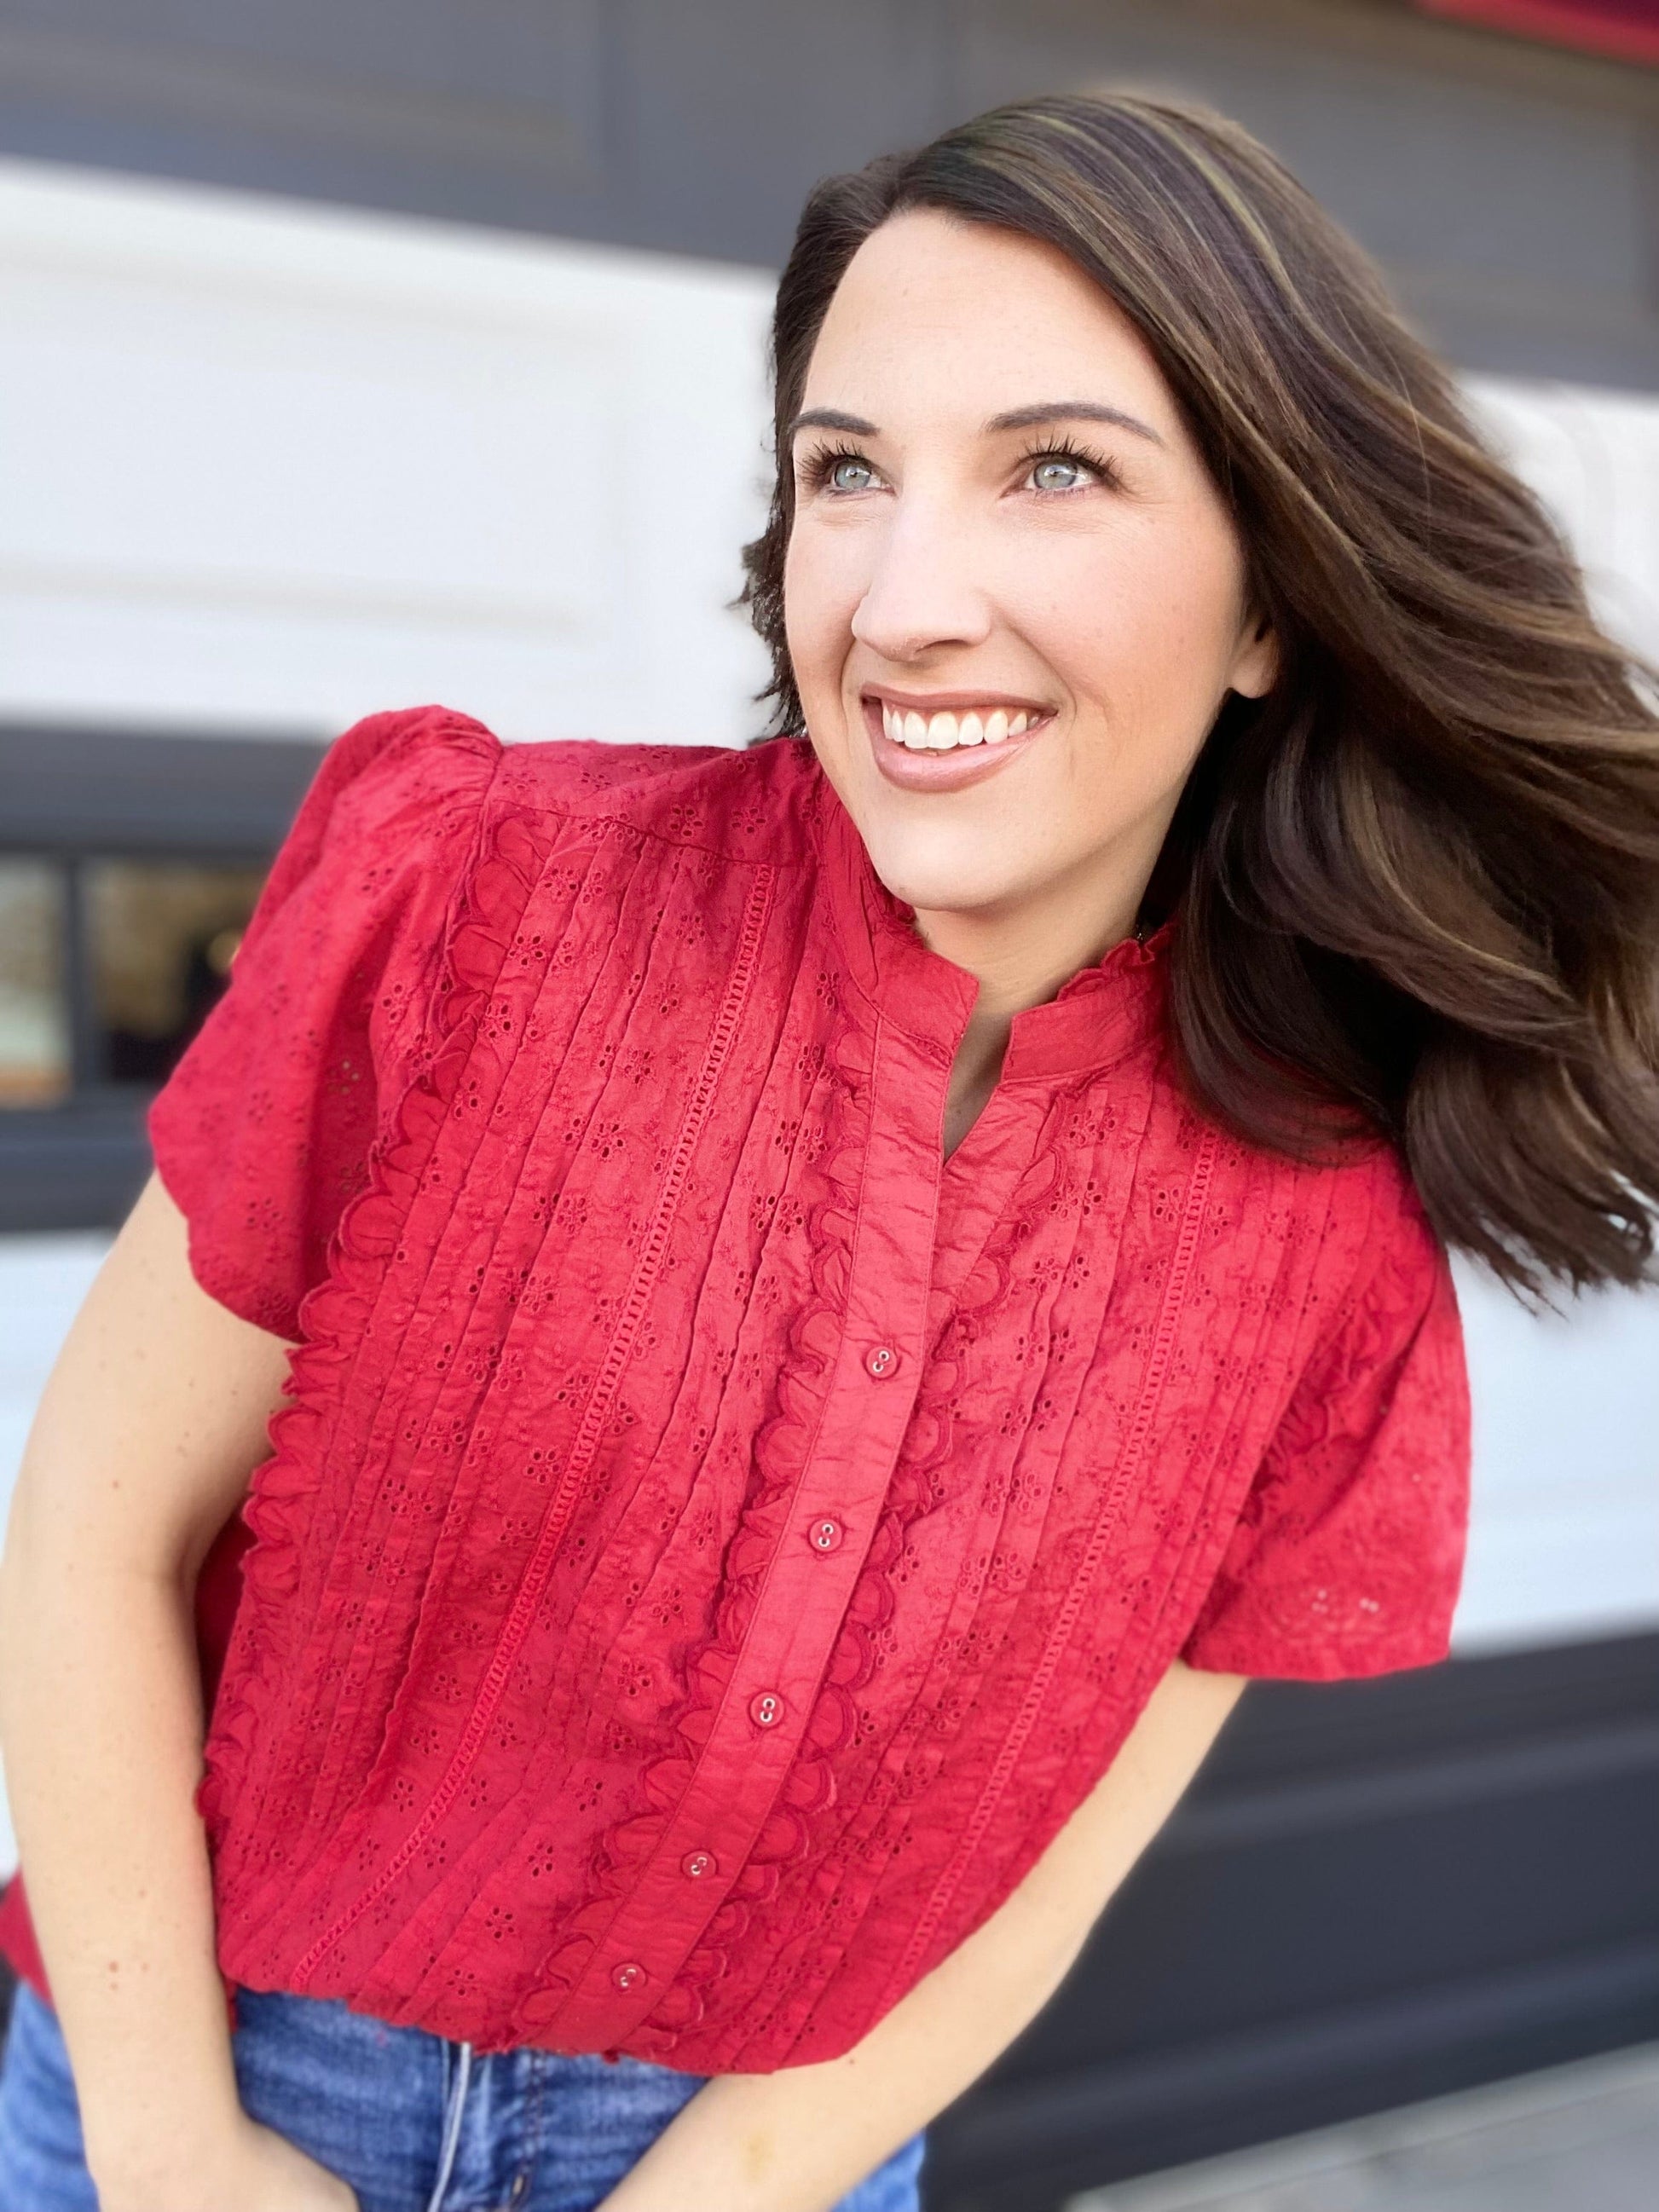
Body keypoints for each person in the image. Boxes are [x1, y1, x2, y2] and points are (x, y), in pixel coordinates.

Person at [1, 85, 1656, 2212]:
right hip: (182, 2081)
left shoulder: (1325, 1227)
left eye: (1052, 470)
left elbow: (1055, 1853)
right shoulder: (482, 899)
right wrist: (170, 2149)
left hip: (768, 2155)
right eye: (845, 472)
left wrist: (725, 2196)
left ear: (1270, 608)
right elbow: (94, 1527)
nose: (899, 598)